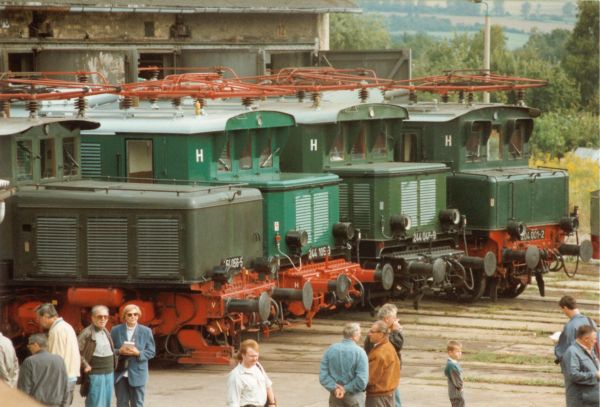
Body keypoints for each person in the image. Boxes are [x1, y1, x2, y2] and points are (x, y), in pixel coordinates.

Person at [111, 304, 156, 407]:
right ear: (124, 316)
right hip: (120, 373)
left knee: (137, 404)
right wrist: (119, 351)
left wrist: (138, 353)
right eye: (129, 314)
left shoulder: (146, 331)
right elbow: (109, 350)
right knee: (122, 403)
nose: (133, 317)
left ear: (138, 316)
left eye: (135, 314)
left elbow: (151, 351)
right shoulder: (115, 330)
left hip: (138, 373)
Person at [36, 303, 81, 407]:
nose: (38, 322)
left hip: (61, 380)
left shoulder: (57, 331)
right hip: (69, 376)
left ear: (46, 316)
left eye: (39, 318)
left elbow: (55, 359)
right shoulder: (66, 326)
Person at [319, 322, 369, 407]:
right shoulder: (360, 352)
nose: (360, 336)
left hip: (335, 396)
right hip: (354, 397)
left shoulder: (331, 349)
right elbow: (362, 381)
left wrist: (335, 388)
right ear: (355, 335)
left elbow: (323, 376)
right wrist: (345, 388)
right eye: (360, 333)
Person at [364, 304, 403, 407]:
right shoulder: (380, 334)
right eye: (394, 317)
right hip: (383, 382)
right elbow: (397, 346)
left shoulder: (381, 331)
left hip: (387, 379)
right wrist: (396, 331)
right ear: (387, 319)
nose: (396, 320)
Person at [78, 305, 117, 407]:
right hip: (95, 374)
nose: (103, 319)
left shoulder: (106, 331)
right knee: (96, 402)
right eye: (100, 316)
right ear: (93, 317)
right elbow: (76, 352)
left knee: (107, 402)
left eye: (106, 317)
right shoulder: (86, 333)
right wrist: (85, 365)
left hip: (109, 372)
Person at [17, 333, 69, 406]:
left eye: (29, 345)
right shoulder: (59, 360)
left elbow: (24, 388)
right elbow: (65, 385)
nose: (28, 348)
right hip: (56, 403)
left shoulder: (29, 361)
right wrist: (64, 403)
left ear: (36, 345)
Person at [226, 339, 277, 407]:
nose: (255, 359)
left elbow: (268, 385)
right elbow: (233, 402)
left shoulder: (258, 366)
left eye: (256, 356)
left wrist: (272, 403)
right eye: (252, 356)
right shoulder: (236, 376)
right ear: (243, 355)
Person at [560, 324, 600, 407]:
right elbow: (573, 375)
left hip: (592, 400)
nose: (596, 341)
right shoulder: (572, 352)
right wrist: (595, 375)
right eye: (594, 339)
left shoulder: (589, 349)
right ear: (586, 339)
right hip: (581, 401)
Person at [555, 295, 599, 364]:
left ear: (565, 308)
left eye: (562, 309)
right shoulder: (590, 321)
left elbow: (565, 349)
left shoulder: (570, 326)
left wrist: (557, 343)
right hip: (594, 361)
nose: (563, 312)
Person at [444, 340, 464, 407]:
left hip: (455, 392)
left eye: (460, 351)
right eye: (457, 352)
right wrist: (460, 387)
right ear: (450, 353)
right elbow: (457, 380)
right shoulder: (452, 365)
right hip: (456, 393)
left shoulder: (453, 363)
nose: (460, 353)